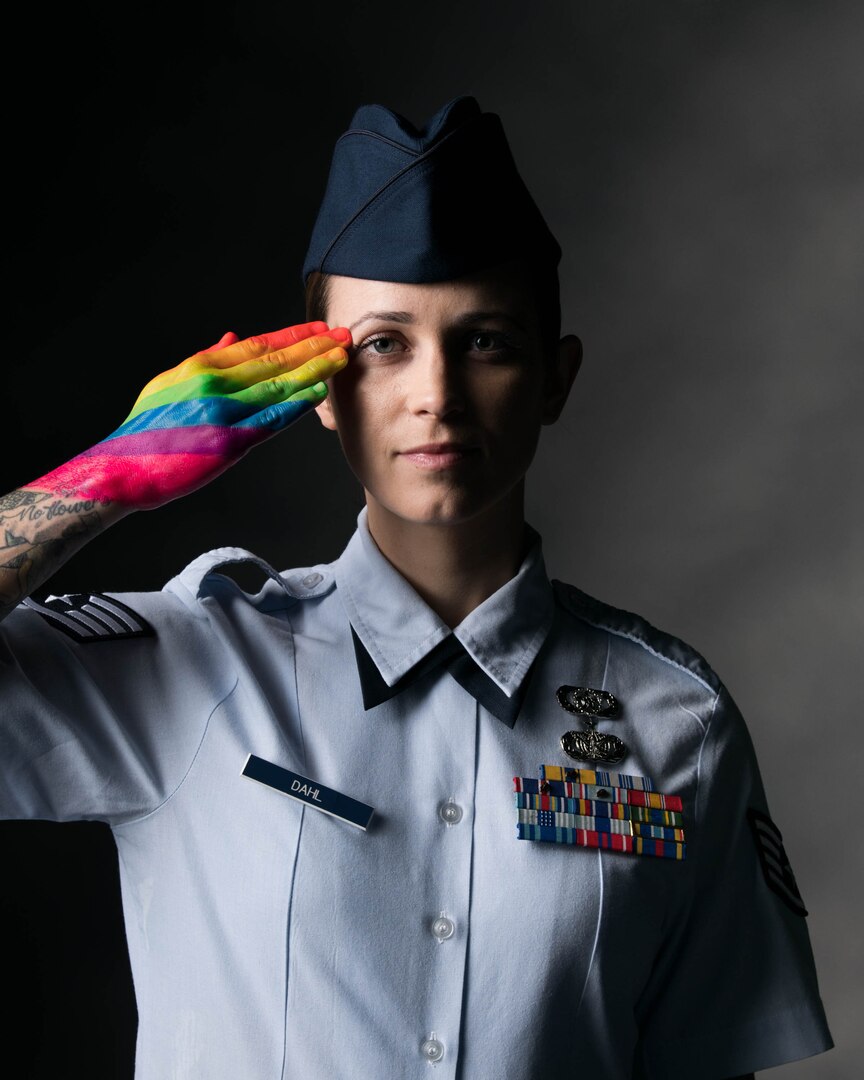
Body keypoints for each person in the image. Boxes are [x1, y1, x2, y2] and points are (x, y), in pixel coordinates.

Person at [0, 96, 833, 1079]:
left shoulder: (673, 718)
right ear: (321, 385)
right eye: (384, 345)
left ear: (556, 378)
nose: (436, 392)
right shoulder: (191, 664)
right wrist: (98, 483)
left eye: (485, 341)